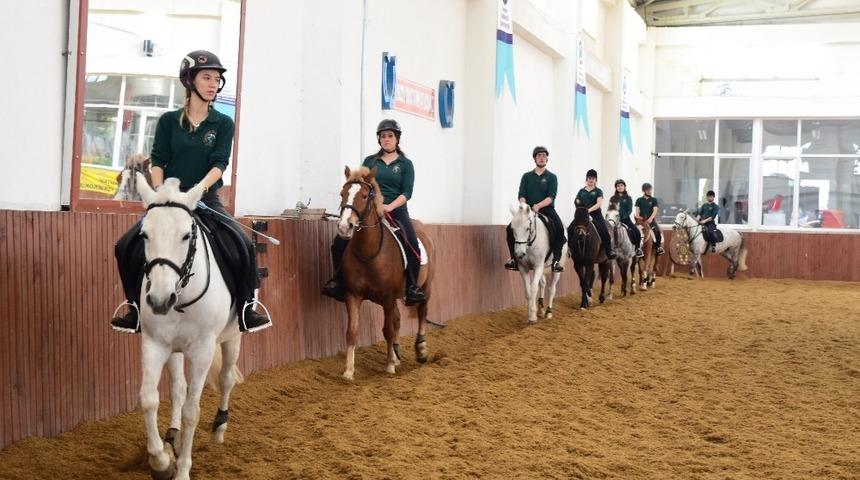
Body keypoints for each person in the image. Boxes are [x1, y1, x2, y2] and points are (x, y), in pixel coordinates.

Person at [111, 50, 272, 334]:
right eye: (207, 77)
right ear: (190, 80)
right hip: (170, 199)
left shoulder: (223, 123)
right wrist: (160, 193)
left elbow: (219, 163)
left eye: (217, 79)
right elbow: (158, 160)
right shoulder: (168, 121)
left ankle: (247, 308)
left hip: (205, 198)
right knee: (125, 245)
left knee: (243, 245)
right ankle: (134, 308)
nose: (213, 84)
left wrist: (198, 190)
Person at [322, 119, 427, 305]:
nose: (386, 139)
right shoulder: (370, 161)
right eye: (383, 136)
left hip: (396, 210)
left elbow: (407, 192)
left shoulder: (405, 164)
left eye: (390, 136)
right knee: (338, 243)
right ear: (379, 139)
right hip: (370, 209)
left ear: (397, 139)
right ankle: (338, 282)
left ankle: (412, 287)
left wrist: (390, 206)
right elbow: (360, 185)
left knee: (412, 243)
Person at [504, 146, 566, 272]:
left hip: (546, 209)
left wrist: (538, 206)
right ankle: (513, 260)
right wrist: (524, 206)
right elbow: (522, 194)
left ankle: (556, 261)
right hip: (528, 210)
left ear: (547, 159)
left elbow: (551, 197)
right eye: (539, 156)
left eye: (544, 156)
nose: (542, 158)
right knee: (510, 229)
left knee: (560, 229)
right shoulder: (527, 176)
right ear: (535, 159)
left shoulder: (552, 177)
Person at [574, 169, 616, 259]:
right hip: (583, 215)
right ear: (586, 179)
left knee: (604, 230)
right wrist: (580, 208)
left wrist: (588, 210)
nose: (591, 180)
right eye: (589, 178)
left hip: (596, 214)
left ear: (596, 180)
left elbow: (598, 204)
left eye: (593, 178)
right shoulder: (581, 191)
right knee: (572, 228)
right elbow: (577, 201)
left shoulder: (598, 191)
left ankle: (609, 250)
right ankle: (570, 249)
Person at [609, 179, 643, 258]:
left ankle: (637, 249)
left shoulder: (628, 198)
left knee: (637, 232)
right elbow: (611, 209)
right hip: (614, 220)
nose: (620, 187)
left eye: (621, 185)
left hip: (626, 219)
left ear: (624, 186)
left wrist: (623, 217)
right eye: (618, 186)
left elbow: (629, 210)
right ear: (616, 188)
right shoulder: (613, 198)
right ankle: (609, 249)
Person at [635, 182, 665, 256]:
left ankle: (658, 247)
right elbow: (637, 212)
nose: (649, 191)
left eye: (650, 190)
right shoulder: (639, 200)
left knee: (657, 231)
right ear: (644, 191)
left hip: (650, 220)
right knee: (634, 231)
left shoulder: (654, 200)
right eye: (647, 190)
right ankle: (637, 248)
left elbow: (655, 210)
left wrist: (651, 218)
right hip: (641, 221)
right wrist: (639, 218)